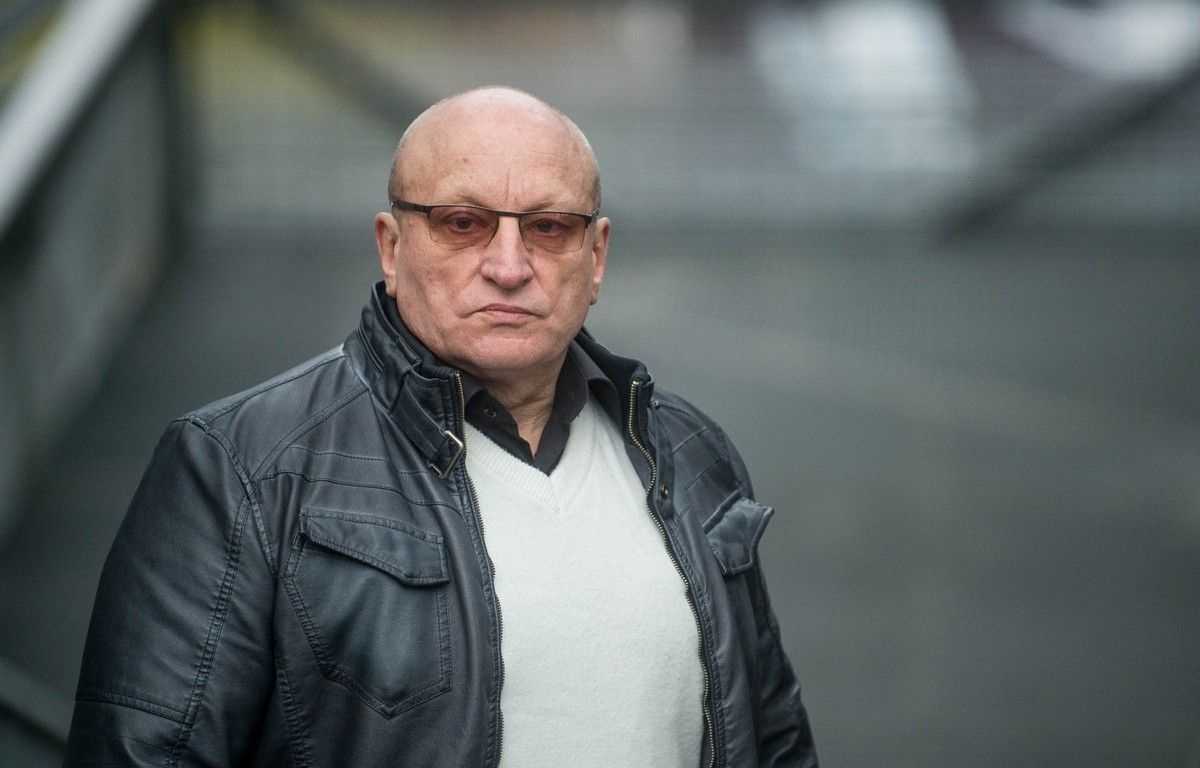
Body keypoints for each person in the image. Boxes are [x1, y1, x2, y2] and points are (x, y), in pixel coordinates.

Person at [65, 86, 817, 767]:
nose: (509, 265)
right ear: (392, 248)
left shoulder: (689, 452)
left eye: (549, 227)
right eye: (463, 223)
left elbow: (775, 739)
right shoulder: (241, 467)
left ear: (596, 258)